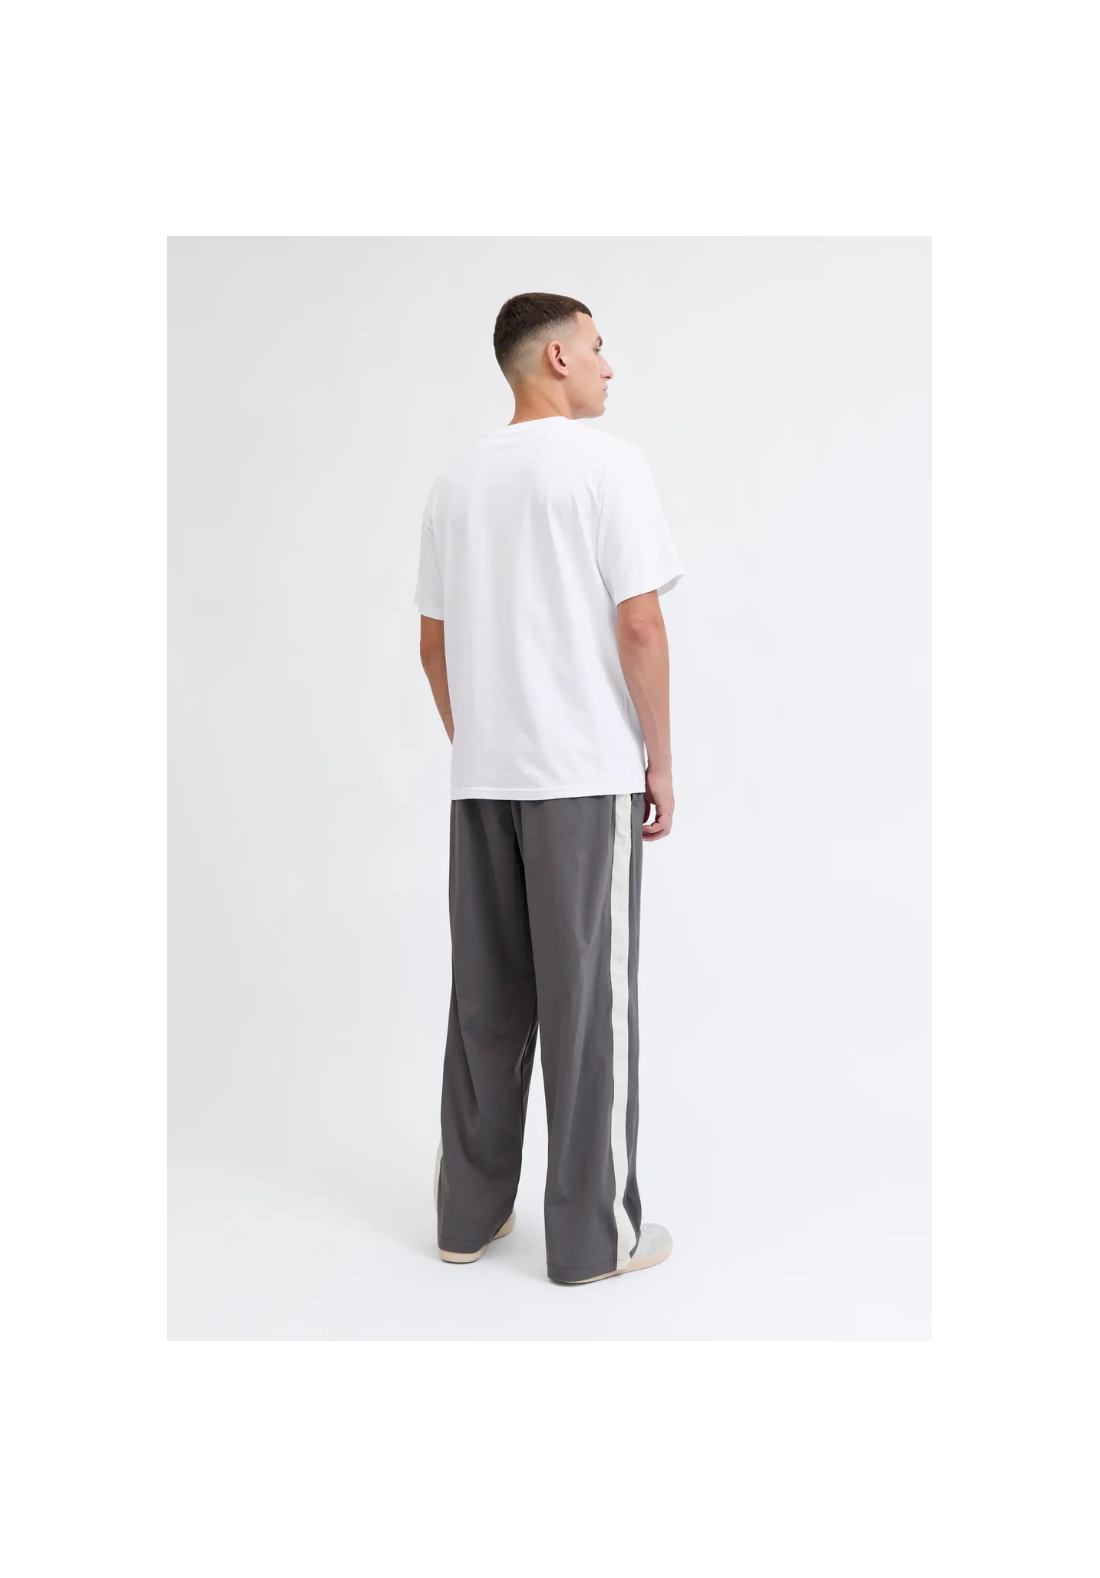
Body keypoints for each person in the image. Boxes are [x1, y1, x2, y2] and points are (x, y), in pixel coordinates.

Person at [415, 292, 684, 1285]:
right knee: (588, 1010)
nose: (610, 365)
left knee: (485, 1003)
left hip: (482, 781)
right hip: (581, 775)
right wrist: (659, 759)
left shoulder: (454, 482)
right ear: (557, 356)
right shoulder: (608, 466)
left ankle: (466, 1217)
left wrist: (484, 738)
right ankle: (591, 1240)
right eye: (599, 347)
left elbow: (431, 645)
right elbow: (640, 624)